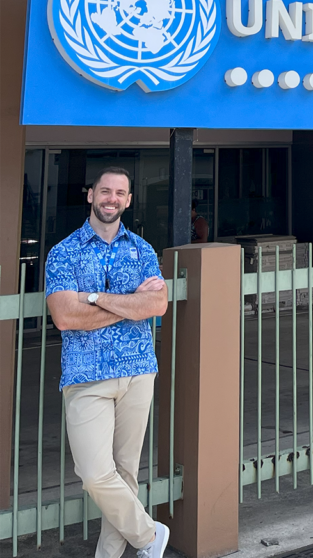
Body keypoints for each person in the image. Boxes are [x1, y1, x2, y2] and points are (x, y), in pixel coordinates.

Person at [45, 167, 170, 558]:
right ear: (90, 195)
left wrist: (94, 298)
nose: (111, 198)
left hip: (137, 372)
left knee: (125, 476)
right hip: (86, 376)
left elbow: (156, 304)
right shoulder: (64, 252)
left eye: (119, 193)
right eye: (104, 191)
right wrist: (129, 302)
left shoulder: (143, 250)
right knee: (96, 475)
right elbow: (65, 316)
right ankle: (150, 537)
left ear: (129, 200)